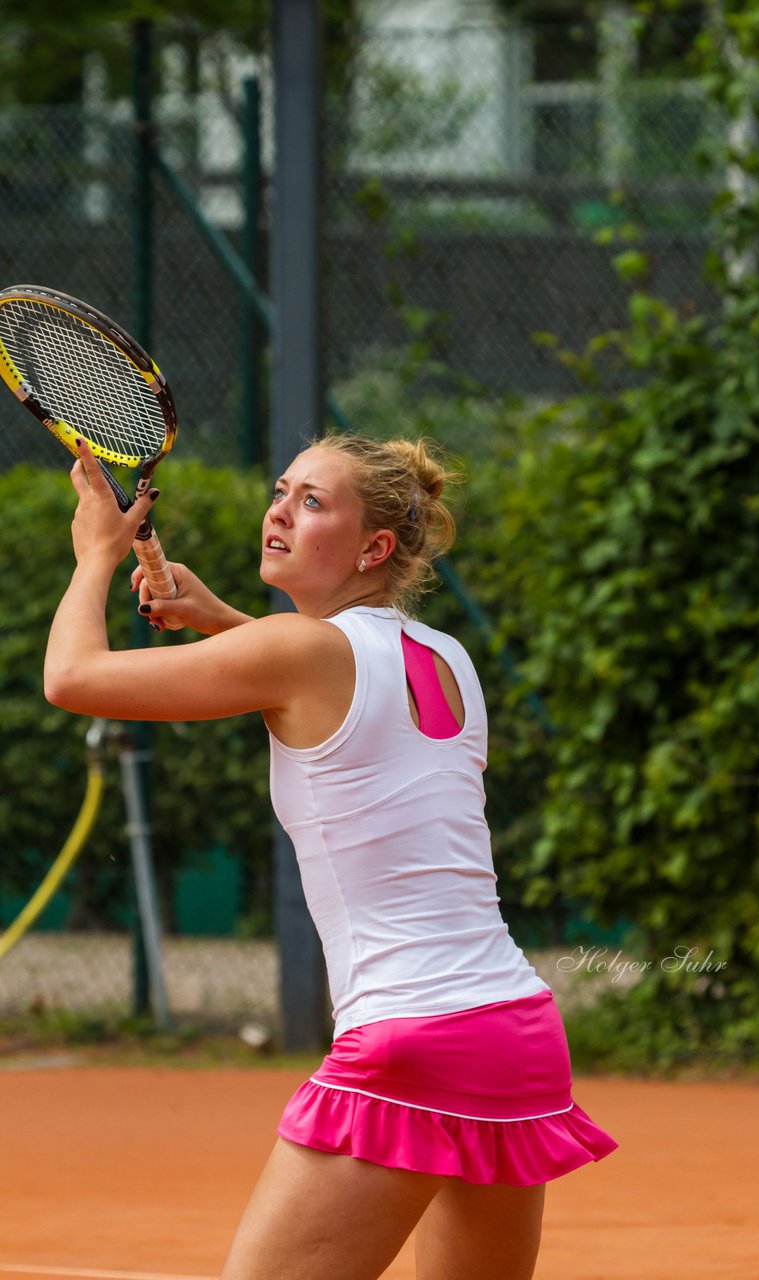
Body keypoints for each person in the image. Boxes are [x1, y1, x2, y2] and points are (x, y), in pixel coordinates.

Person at [45, 432, 618, 1280]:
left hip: (411, 1037)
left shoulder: (297, 654)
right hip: (515, 1032)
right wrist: (221, 625)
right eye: (282, 489)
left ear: (373, 547)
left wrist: (96, 554)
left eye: (312, 501)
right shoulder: (445, 658)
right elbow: (338, 701)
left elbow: (72, 677)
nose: (278, 509)